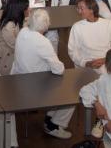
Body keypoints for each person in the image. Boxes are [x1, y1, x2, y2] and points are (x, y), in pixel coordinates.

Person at [12, 9, 76, 140]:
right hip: (34, 87)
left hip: (17, 80)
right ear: (46, 24)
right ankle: (53, 125)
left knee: (58, 85)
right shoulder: (42, 42)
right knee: (73, 94)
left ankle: (51, 115)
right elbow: (59, 69)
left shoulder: (23, 32)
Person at [69, 0, 111, 74]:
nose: (79, 11)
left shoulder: (108, 24)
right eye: (77, 8)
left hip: (108, 63)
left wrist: (105, 60)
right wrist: (87, 63)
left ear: (91, 9)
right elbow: (73, 51)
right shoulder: (76, 27)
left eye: (81, 8)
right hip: (87, 66)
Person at [0, 0, 29, 75]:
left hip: (15, 54)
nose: (29, 9)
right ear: (19, 10)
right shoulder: (8, 26)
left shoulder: (17, 21)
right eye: (27, 8)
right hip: (7, 60)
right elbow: (15, 45)